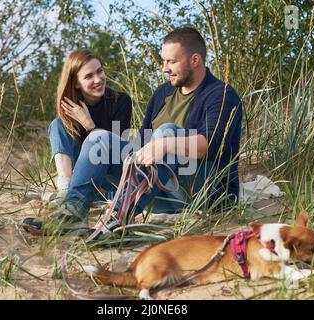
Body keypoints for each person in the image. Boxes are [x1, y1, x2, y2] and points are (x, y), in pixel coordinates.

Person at [23, 27, 242, 237]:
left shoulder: (221, 95)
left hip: (197, 190)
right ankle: (70, 215)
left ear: (195, 60)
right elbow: (142, 144)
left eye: (171, 61)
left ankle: (119, 218)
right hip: (156, 193)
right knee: (99, 138)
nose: (165, 68)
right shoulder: (163, 93)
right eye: (164, 61)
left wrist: (164, 144)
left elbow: (209, 146)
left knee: (167, 132)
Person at [45, 49, 131, 203]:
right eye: (89, 76)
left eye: (100, 71)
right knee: (58, 124)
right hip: (80, 178)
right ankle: (65, 190)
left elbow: (117, 151)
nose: (98, 79)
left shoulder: (121, 101)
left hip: (110, 180)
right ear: (76, 83)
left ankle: (77, 195)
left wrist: (89, 125)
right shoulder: (71, 108)